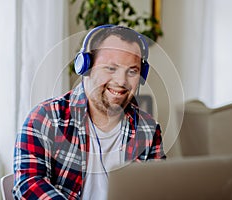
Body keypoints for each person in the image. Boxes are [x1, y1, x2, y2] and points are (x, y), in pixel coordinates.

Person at [13, 24, 166, 200]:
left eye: (132, 71)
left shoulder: (148, 129)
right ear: (85, 66)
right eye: (111, 68)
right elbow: (27, 184)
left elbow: (157, 190)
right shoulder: (45, 119)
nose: (121, 81)